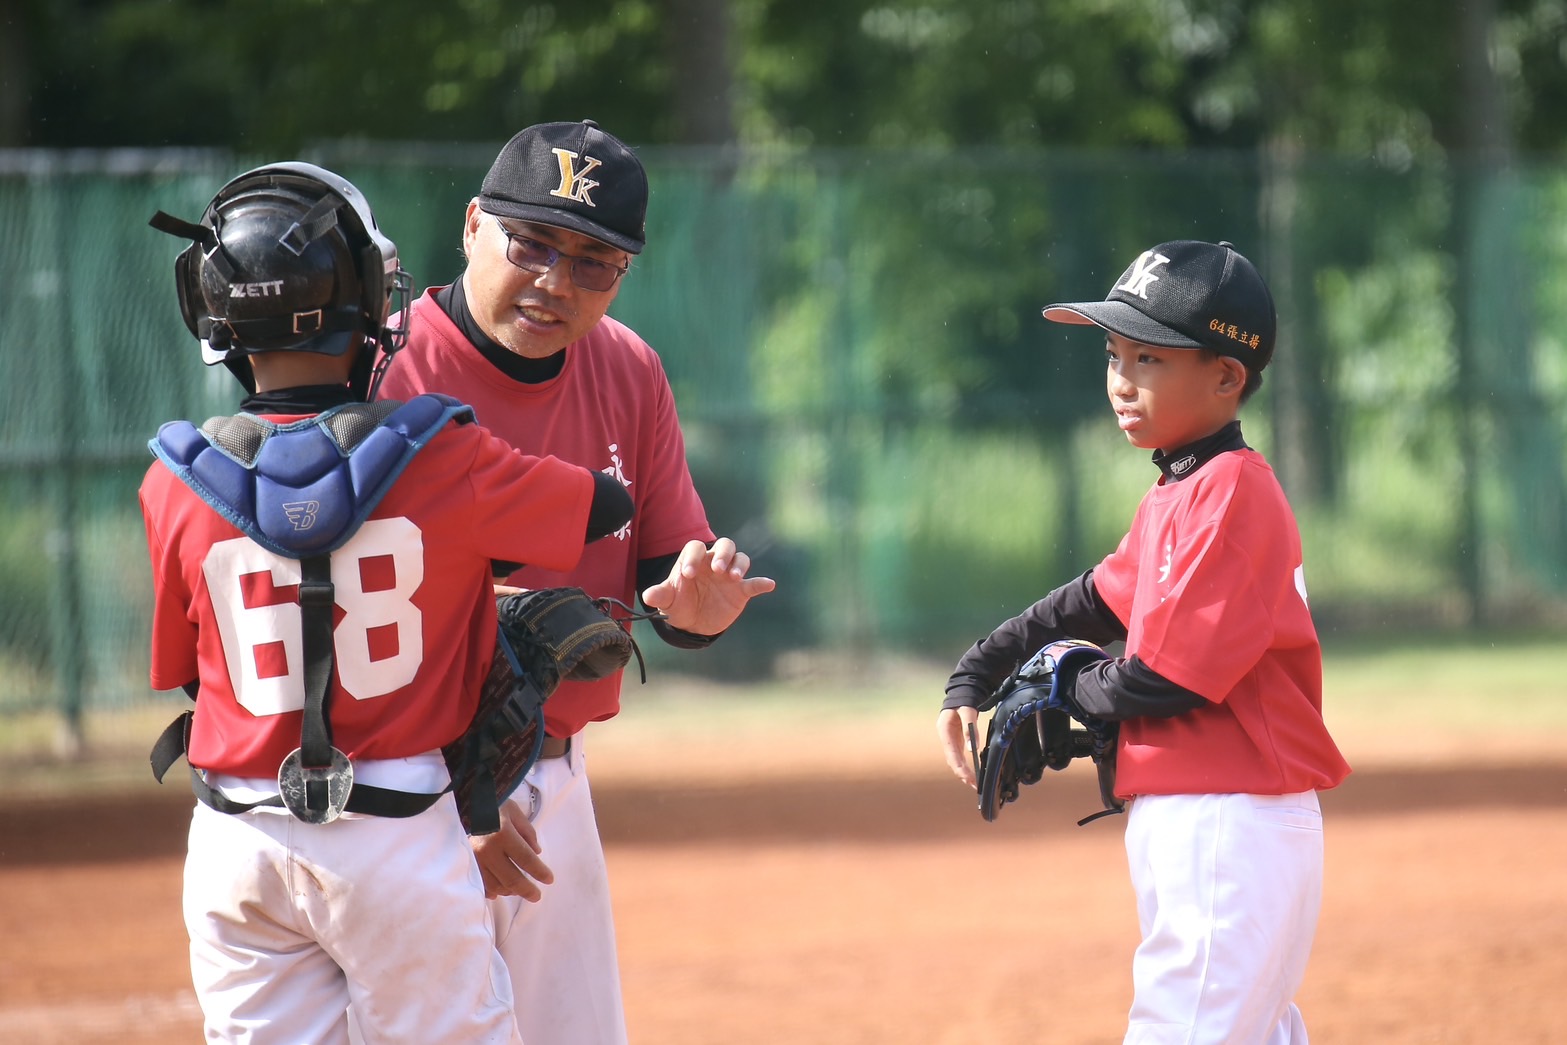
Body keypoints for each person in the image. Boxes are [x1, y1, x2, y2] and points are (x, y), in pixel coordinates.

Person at [140, 161, 634, 1044]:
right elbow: (604, 504)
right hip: (398, 827)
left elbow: (191, 673)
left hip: (236, 839)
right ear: (366, 300)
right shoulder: (439, 453)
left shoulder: (173, 480)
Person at [373, 119, 776, 1043]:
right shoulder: (384, 367)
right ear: (472, 225)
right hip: (405, 784)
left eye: (593, 263)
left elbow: (668, 572)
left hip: (552, 779)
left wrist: (697, 610)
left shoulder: (627, 367)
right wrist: (459, 791)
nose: (556, 281)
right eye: (532, 243)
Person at [937, 240, 1351, 1043]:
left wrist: (1063, 682)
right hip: (1205, 816)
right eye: (1113, 354)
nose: (1121, 380)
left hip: (1227, 819)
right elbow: (1089, 601)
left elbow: (1168, 679)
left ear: (1225, 377)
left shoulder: (1230, 490)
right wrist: (979, 670)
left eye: (1149, 358)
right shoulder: (1180, 490)